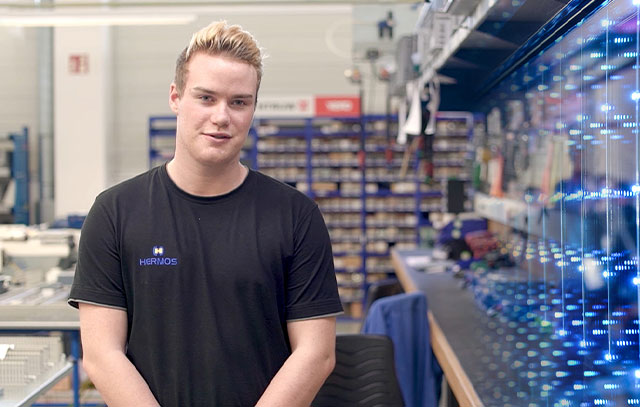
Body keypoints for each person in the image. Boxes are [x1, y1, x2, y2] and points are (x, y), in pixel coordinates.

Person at [68, 20, 343, 407]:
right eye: (206, 98)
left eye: (239, 102)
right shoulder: (115, 212)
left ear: (252, 109)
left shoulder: (296, 216)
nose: (221, 116)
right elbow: (101, 354)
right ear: (176, 97)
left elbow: (316, 354)